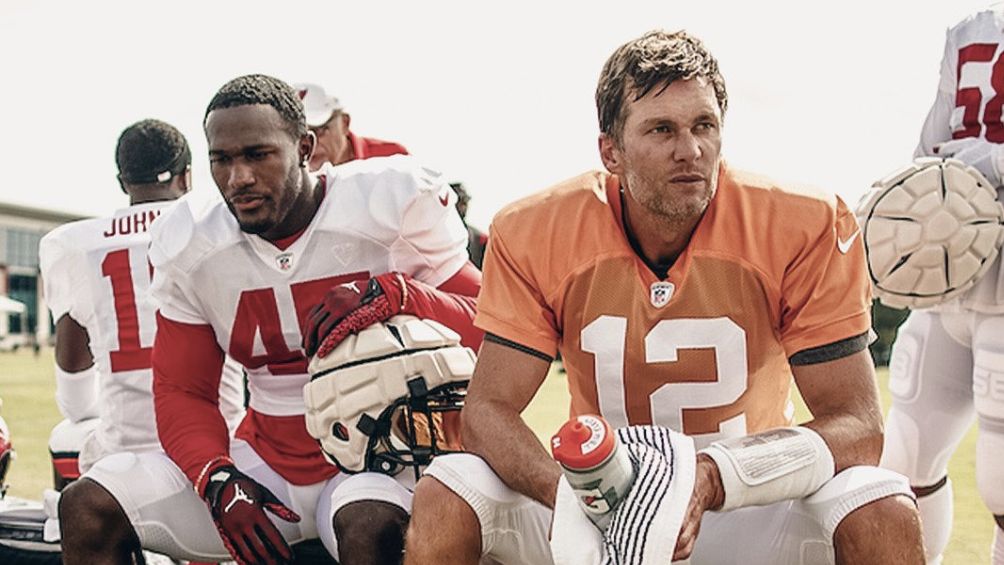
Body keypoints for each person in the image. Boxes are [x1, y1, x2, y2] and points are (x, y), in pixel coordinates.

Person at [405, 29, 926, 565]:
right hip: (603, 502)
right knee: (449, 488)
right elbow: (488, 409)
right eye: (662, 129)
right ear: (611, 151)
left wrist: (713, 476)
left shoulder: (800, 223)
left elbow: (859, 424)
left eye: (705, 126)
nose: (691, 150)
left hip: (746, 502)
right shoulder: (536, 230)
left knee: (879, 503)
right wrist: (568, 495)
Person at [56, 74, 481, 565]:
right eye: (222, 159)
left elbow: (491, 325)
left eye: (257, 155)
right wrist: (215, 477)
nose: (238, 177)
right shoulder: (194, 240)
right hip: (266, 459)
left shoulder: (386, 204)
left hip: (373, 460)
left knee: (370, 527)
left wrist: (402, 294)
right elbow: (183, 390)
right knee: (87, 506)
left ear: (304, 147)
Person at [43, 119, 246, 562]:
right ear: (187, 176)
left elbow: (76, 401)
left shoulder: (75, 245)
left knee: (70, 433)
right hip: (223, 463)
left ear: (122, 181)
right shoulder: (220, 229)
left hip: (122, 477)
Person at [879, 8, 1004, 565]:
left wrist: (991, 161)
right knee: (901, 463)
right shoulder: (970, 30)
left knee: (1002, 483)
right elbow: (930, 147)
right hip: (951, 276)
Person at [293, 82, 409, 171]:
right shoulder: (285, 178)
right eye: (297, 134)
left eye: (319, 130)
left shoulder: (392, 159)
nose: (308, 144)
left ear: (344, 123)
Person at [450, 182, 489, 269]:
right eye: (460, 200)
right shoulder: (433, 236)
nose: (463, 206)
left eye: (465, 201)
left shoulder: (480, 238)